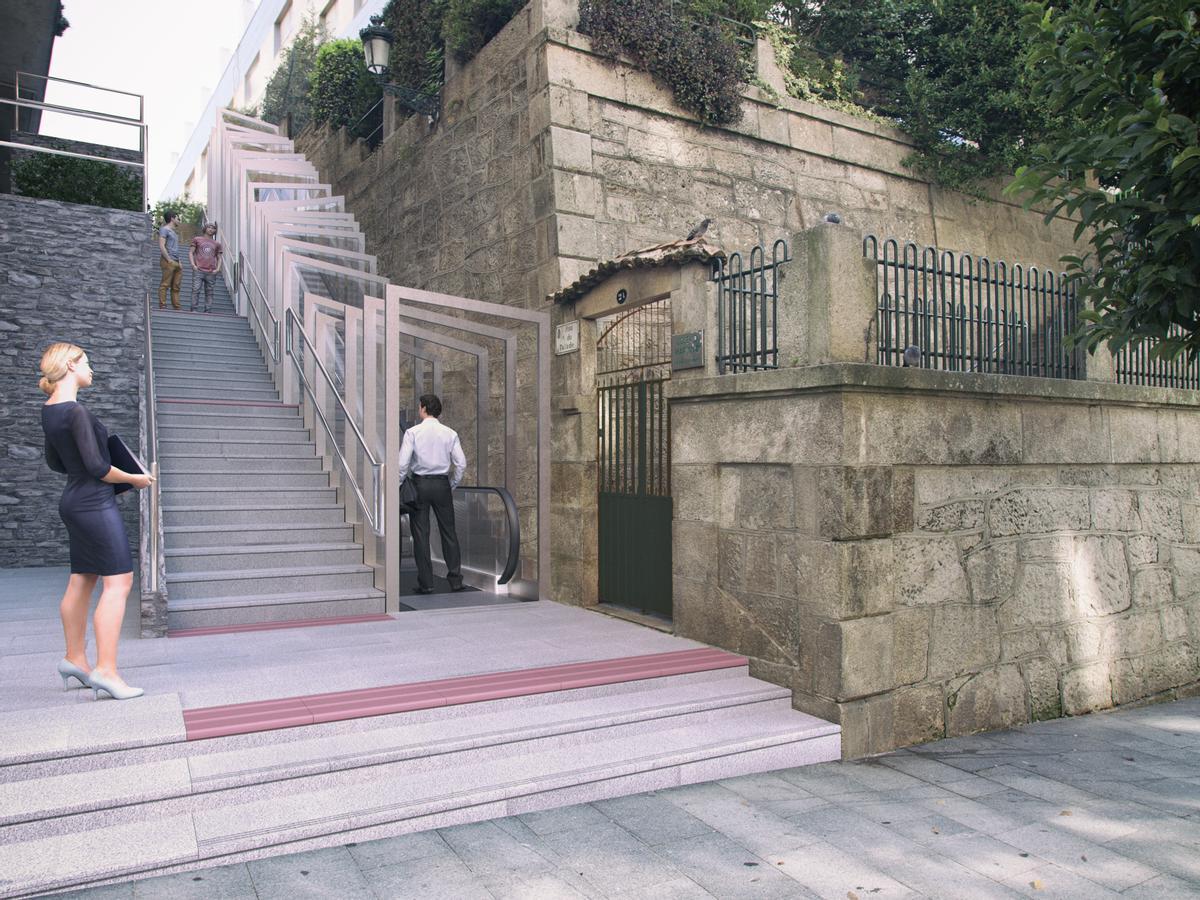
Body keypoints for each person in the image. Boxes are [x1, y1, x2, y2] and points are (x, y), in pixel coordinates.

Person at [39, 343, 154, 700]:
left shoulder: (50, 411)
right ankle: (106, 671)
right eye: (87, 362)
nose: (92, 369)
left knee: (81, 580)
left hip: (73, 501)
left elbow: (56, 463)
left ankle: (75, 658)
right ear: (71, 365)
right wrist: (136, 479)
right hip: (94, 503)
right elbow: (98, 468)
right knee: (119, 582)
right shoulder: (76, 412)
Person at [398, 393, 467, 594]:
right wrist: (452, 484)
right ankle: (455, 580)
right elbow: (461, 463)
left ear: (424, 408)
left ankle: (426, 583)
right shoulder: (450, 433)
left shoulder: (412, 432)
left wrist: (398, 485)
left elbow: (402, 465)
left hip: (420, 485)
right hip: (442, 485)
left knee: (421, 534)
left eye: (419, 406)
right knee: (449, 533)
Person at [189, 221, 223, 313]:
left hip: (211, 271)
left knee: (210, 292)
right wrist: (193, 265)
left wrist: (218, 268)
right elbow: (191, 252)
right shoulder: (197, 239)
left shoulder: (217, 244)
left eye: (213, 228)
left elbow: (219, 258)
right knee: (196, 290)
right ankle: (194, 309)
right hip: (199, 269)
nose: (211, 229)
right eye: (209, 227)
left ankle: (208, 310)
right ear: (205, 228)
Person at [158, 210, 183, 310]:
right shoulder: (164, 229)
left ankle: (177, 307)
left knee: (176, 286)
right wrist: (168, 259)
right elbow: (161, 245)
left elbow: (175, 248)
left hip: (176, 262)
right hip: (168, 261)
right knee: (165, 284)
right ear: (172, 218)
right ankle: (162, 305)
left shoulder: (174, 233)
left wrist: (179, 261)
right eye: (178, 218)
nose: (179, 221)